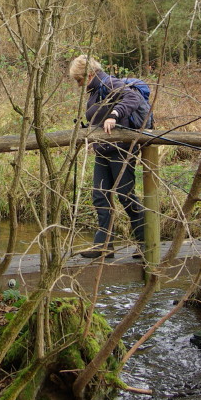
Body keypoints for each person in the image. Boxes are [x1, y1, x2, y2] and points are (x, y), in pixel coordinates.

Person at [69, 55, 145, 258]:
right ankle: (103, 246)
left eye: (79, 79)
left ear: (89, 73)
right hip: (103, 151)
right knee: (100, 196)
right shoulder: (95, 90)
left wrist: (114, 115)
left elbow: (132, 98)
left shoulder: (108, 82)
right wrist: (92, 138)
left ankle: (146, 243)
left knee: (125, 196)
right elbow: (97, 118)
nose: (79, 85)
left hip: (121, 150)